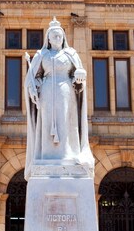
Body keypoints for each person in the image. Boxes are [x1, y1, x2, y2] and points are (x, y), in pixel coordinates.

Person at [24, 18, 95, 179]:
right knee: (47, 122)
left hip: (66, 90)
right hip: (47, 92)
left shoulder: (71, 54)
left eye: (60, 36)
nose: (58, 38)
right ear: (48, 39)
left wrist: (79, 77)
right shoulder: (42, 55)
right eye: (54, 36)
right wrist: (33, 87)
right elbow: (33, 78)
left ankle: (67, 153)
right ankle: (47, 154)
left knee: (66, 121)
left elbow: (78, 78)